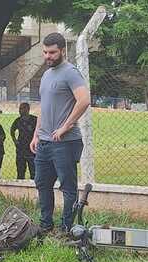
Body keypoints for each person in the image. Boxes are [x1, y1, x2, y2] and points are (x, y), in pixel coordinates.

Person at [29, 33, 91, 235]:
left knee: (67, 186)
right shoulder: (46, 75)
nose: (48, 56)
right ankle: (46, 225)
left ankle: (67, 228)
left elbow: (84, 100)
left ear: (62, 50)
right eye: (45, 52)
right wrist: (36, 135)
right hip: (45, 141)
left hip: (65, 142)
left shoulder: (71, 72)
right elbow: (44, 107)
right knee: (42, 183)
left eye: (52, 52)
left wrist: (65, 126)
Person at [10, 102, 37, 179]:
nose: (20, 110)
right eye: (20, 108)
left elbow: (40, 131)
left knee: (33, 170)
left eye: (22, 108)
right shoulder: (18, 120)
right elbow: (12, 130)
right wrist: (15, 140)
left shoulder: (34, 120)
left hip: (32, 148)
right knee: (20, 170)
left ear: (28, 109)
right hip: (21, 148)